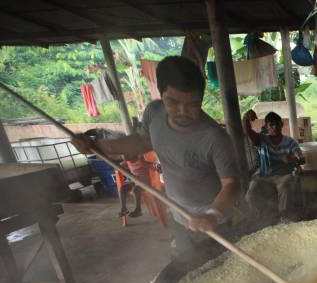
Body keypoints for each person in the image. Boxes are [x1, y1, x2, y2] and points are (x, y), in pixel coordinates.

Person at [72, 56, 241, 256]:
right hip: (178, 215)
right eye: (173, 101)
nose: (182, 111)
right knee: (187, 267)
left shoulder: (215, 137)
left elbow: (232, 185)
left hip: (215, 223)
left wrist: (212, 215)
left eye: (192, 104)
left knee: (221, 270)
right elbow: (143, 140)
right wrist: (98, 146)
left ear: (201, 99)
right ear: (161, 95)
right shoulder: (154, 113)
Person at [242, 110, 303, 212]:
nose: (275, 127)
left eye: (277, 124)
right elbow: (248, 131)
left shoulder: (290, 142)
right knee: (251, 194)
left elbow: (301, 158)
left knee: (285, 186)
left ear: (281, 125)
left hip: (283, 176)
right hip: (264, 177)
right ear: (266, 126)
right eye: (271, 125)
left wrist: (292, 158)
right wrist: (246, 118)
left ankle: (284, 217)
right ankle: (260, 217)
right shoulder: (261, 140)